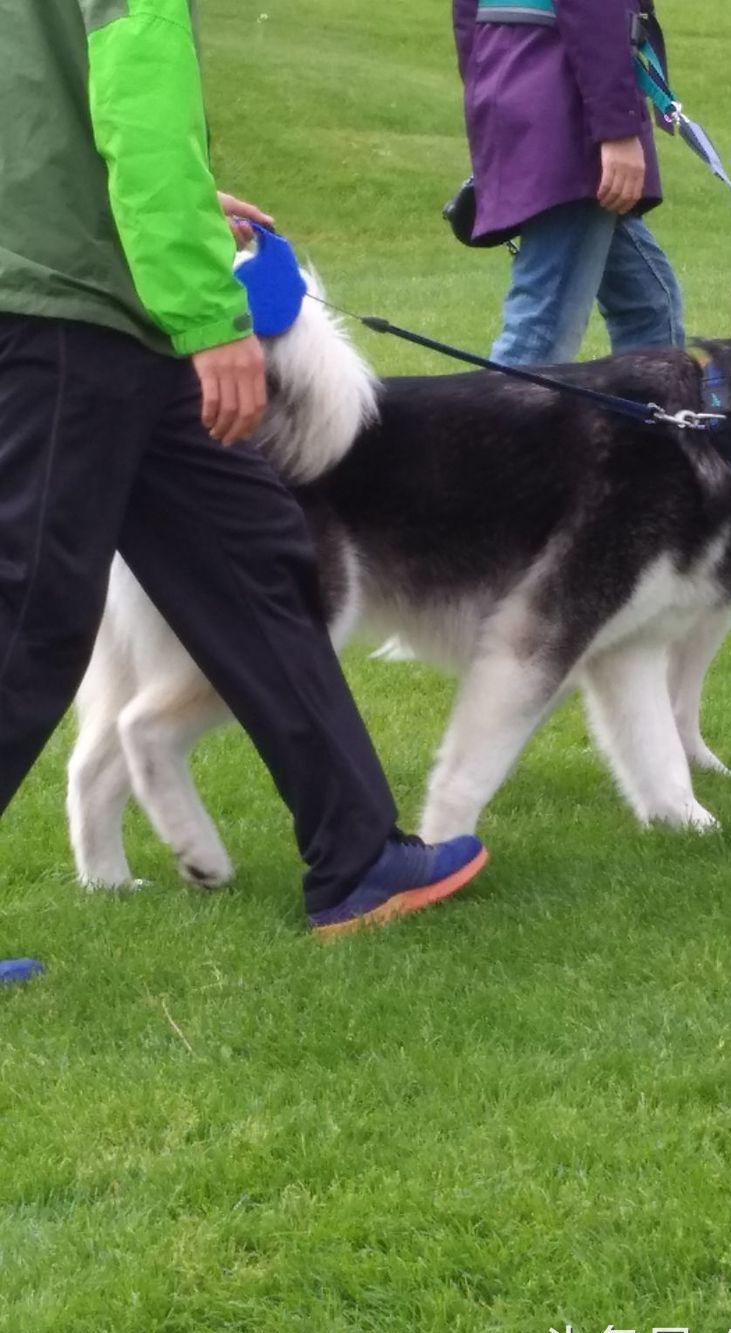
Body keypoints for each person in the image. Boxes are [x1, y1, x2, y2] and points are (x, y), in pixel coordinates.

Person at [0, 0, 488, 943]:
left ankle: (358, 861)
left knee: (254, 553)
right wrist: (210, 320)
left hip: (101, 296)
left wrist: (183, 206)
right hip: (70, 314)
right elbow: (139, 114)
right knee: (31, 613)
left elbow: (45, 108)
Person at [452, 0, 685, 367]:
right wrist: (616, 129)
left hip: (514, 85)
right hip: (565, 108)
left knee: (649, 305)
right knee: (541, 336)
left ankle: (648, 423)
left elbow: (467, 19)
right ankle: (486, 426)